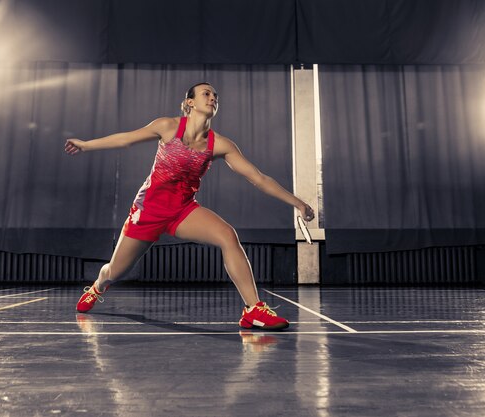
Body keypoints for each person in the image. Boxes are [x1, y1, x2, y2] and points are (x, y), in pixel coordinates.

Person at [64, 82, 314, 330]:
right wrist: (86, 145)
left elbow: (258, 178)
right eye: (206, 93)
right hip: (148, 210)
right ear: (190, 102)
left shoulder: (221, 144)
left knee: (228, 235)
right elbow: (125, 139)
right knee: (115, 272)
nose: (213, 98)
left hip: (182, 211)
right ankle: (98, 286)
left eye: (215, 95)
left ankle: (253, 310)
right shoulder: (167, 126)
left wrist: (298, 203)